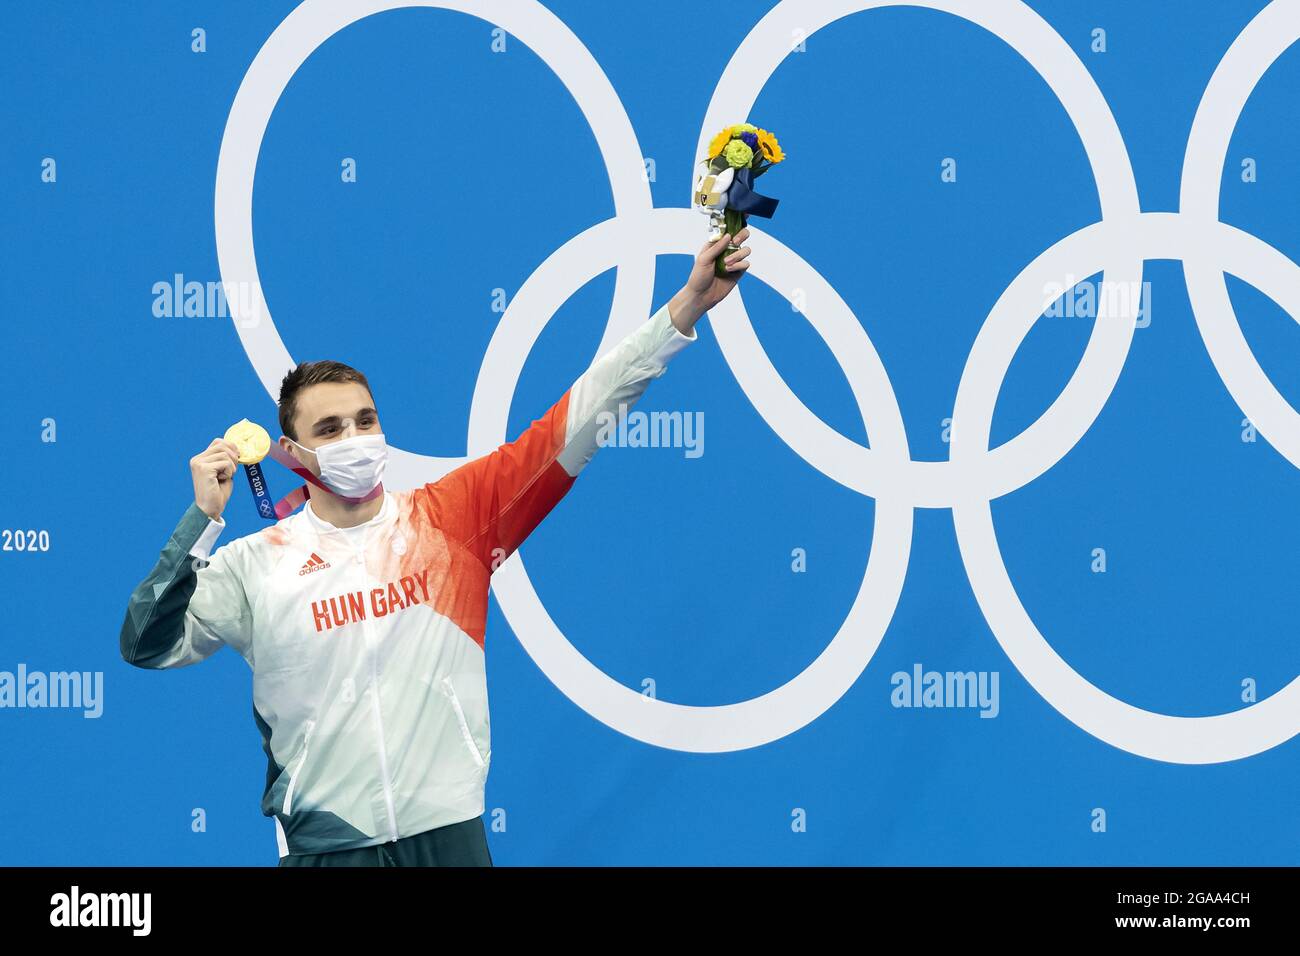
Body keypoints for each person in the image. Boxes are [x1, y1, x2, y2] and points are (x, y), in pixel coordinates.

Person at [119, 230, 753, 866]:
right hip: (325, 847)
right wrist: (201, 521)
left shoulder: (454, 518)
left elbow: (576, 419)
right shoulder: (253, 565)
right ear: (296, 454)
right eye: (331, 429)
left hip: (449, 837)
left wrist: (687, 308)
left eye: (366, 420)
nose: (356, 437)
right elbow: (145, 645)